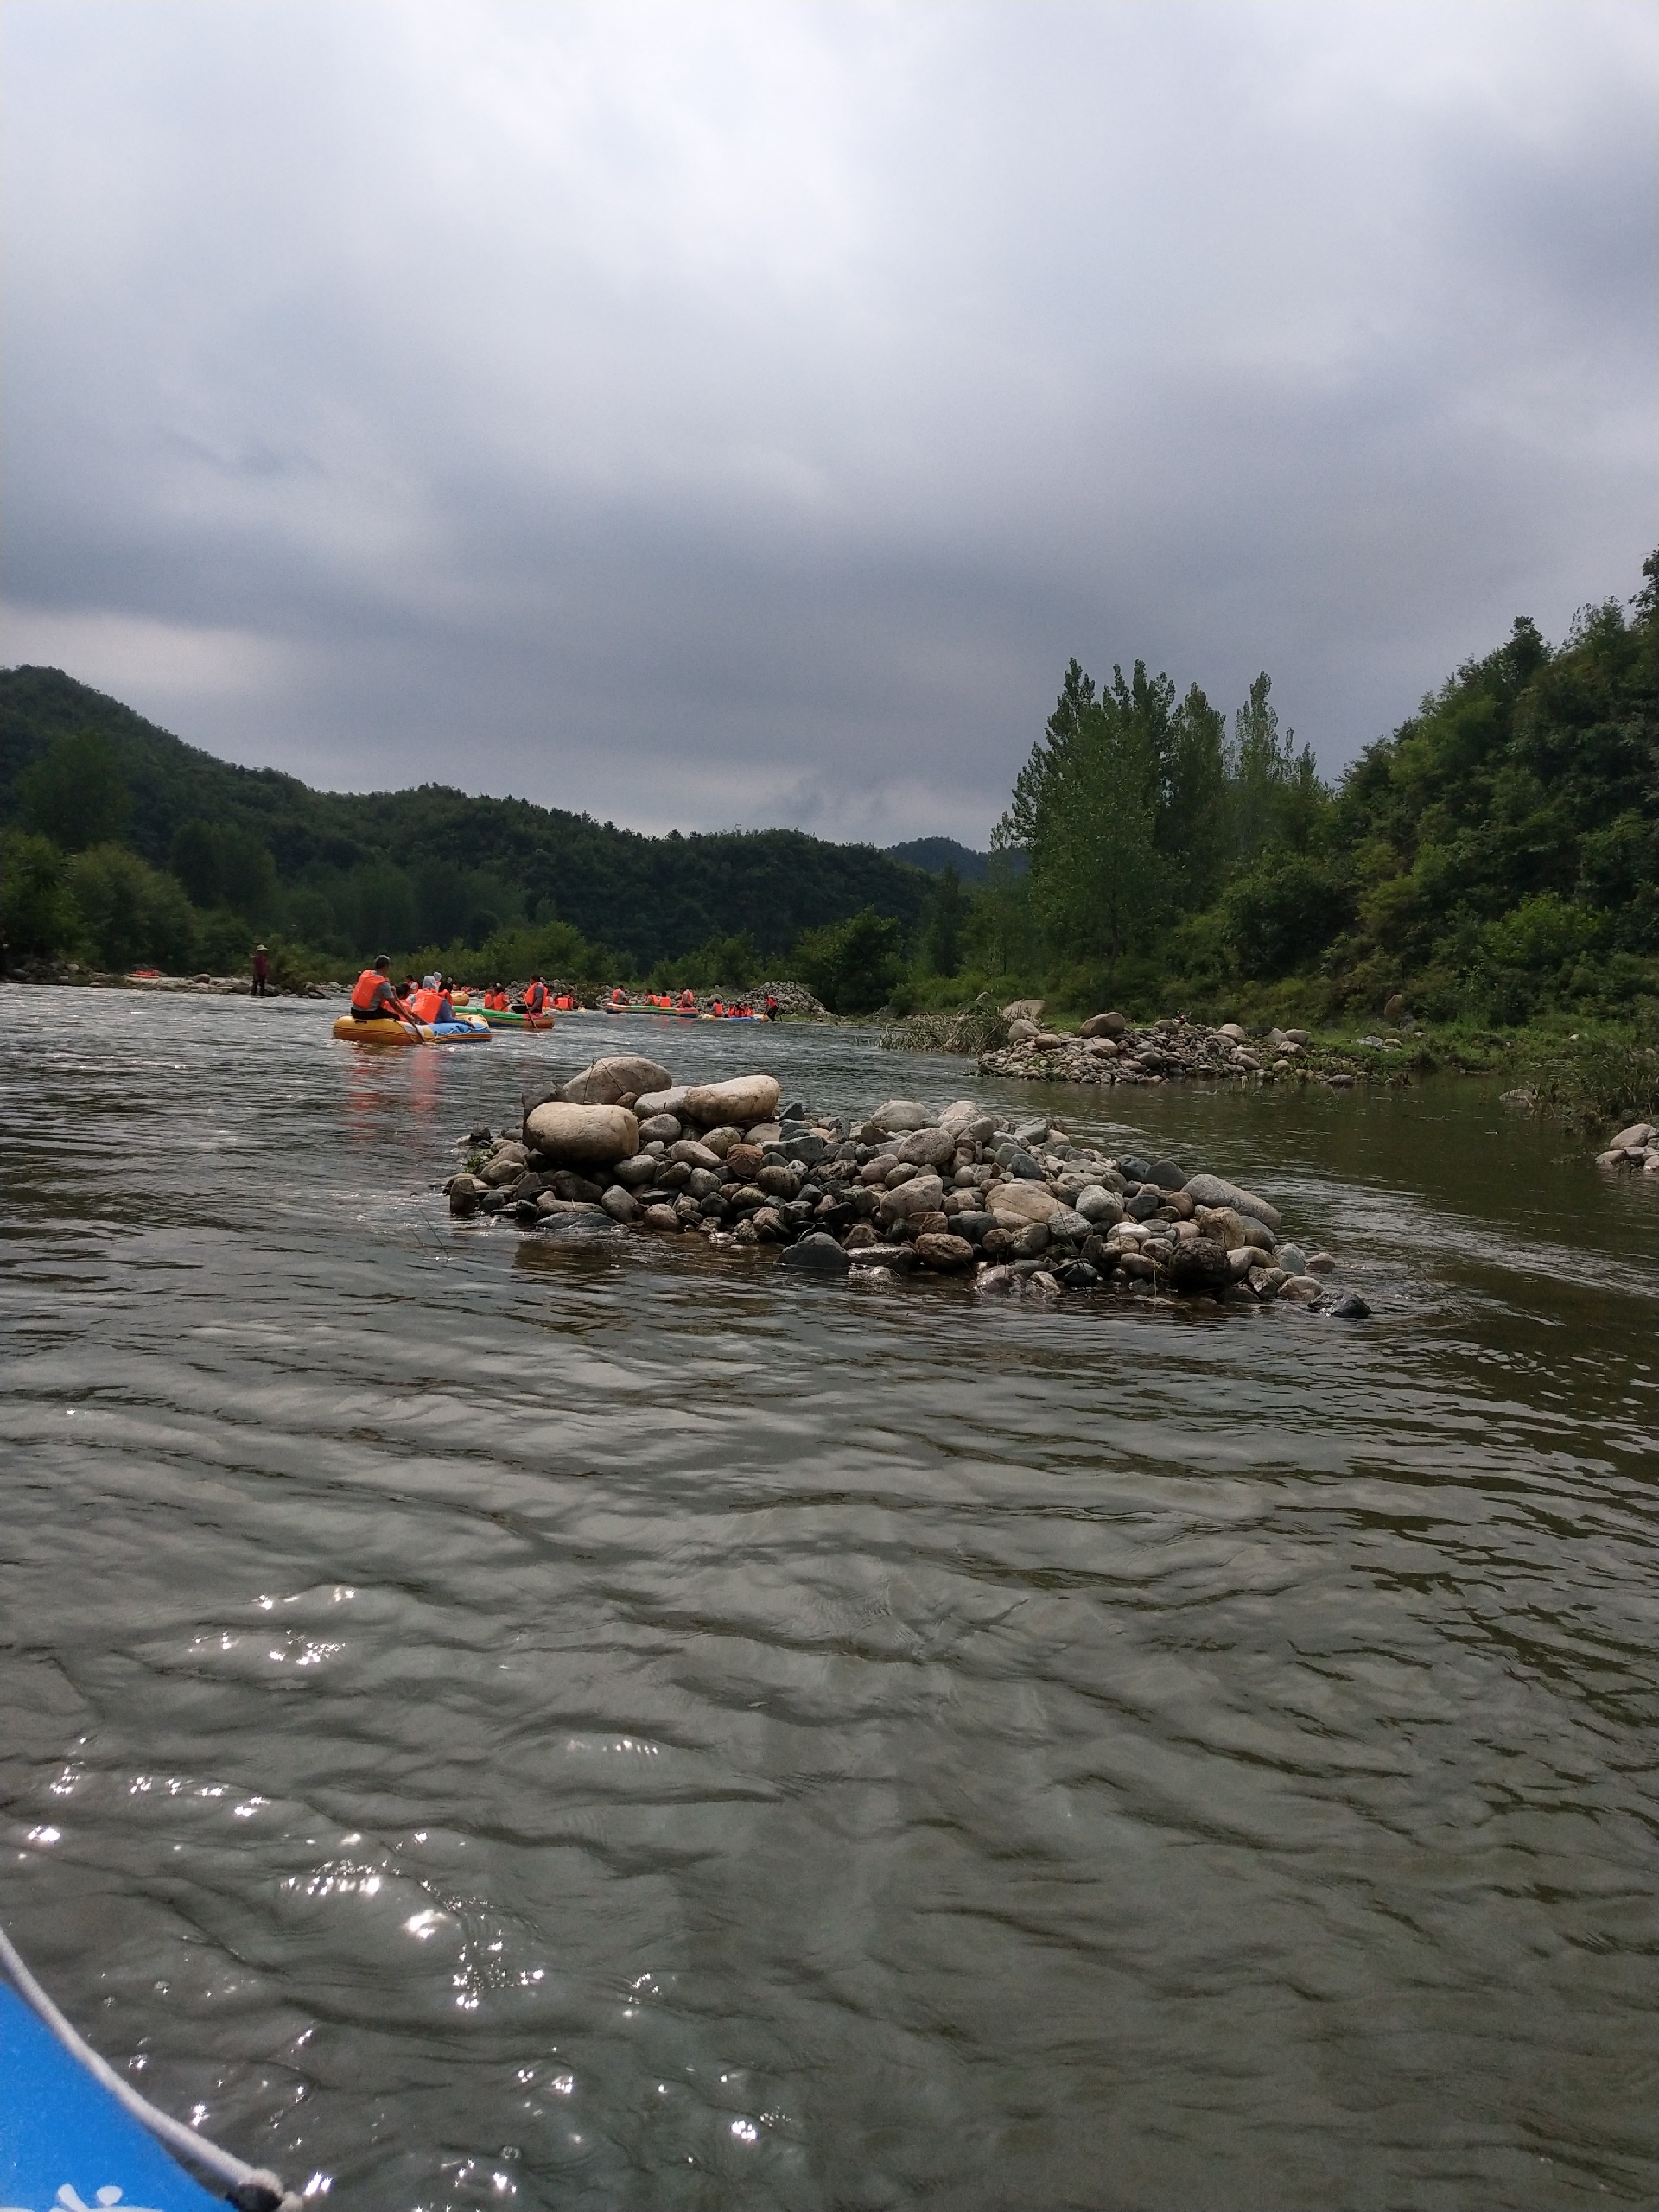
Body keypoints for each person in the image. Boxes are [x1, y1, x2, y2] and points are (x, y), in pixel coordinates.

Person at [349, 956, 411, 1023]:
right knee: (396, 1017)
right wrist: (407, 1017)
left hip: (354, 1011)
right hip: (368, 1014)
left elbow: (371, 988)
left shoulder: (366, 974)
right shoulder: (384, 984)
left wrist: (389, 990)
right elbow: (394, 1005)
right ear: (386, 966)